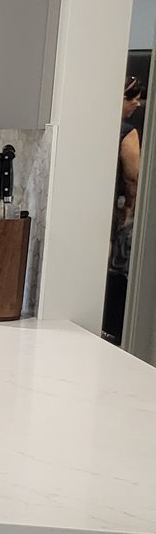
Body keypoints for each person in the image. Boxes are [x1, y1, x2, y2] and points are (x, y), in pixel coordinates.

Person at [102, 54, 148, 343]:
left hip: (92, 209)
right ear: (122, 97)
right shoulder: (127, 133)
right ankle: (114, 332)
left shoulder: (95, 127)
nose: (138, 104)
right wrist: (131, 211)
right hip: (115, 215)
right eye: (134, 98)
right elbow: (134, 176)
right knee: (117, 270)